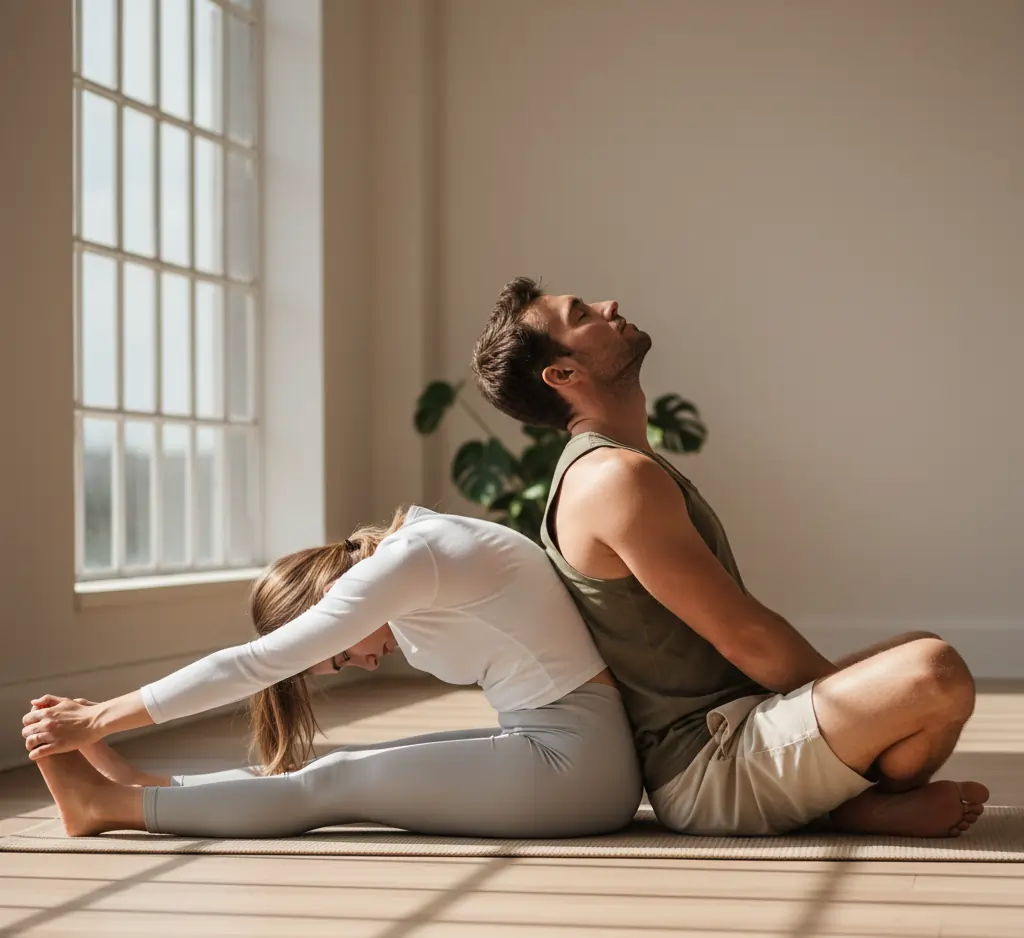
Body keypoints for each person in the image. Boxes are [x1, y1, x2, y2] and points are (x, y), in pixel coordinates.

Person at [470, 277, 988, 838]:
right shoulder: (614, 479)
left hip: (742, 727)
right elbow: (748, 639)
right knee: (935, 673)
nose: (608, 304)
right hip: (711, 766)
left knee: (907, 658)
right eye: (582, 313)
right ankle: (856, 800)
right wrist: (859, 709)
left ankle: (849, 800)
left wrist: (858, 706)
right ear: (564, 374)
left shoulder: (619, 466)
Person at [22, 505, 642, 839]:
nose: (365, 660)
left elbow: (253, 664)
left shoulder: (412, 559)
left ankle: (107, 807)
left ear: (329, 601)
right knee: (322, 770)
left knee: (332, 783)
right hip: (563, 748)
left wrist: (97, 716)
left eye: (342, 654)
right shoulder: (421, 551)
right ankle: (149, 787)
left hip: (575, 767)